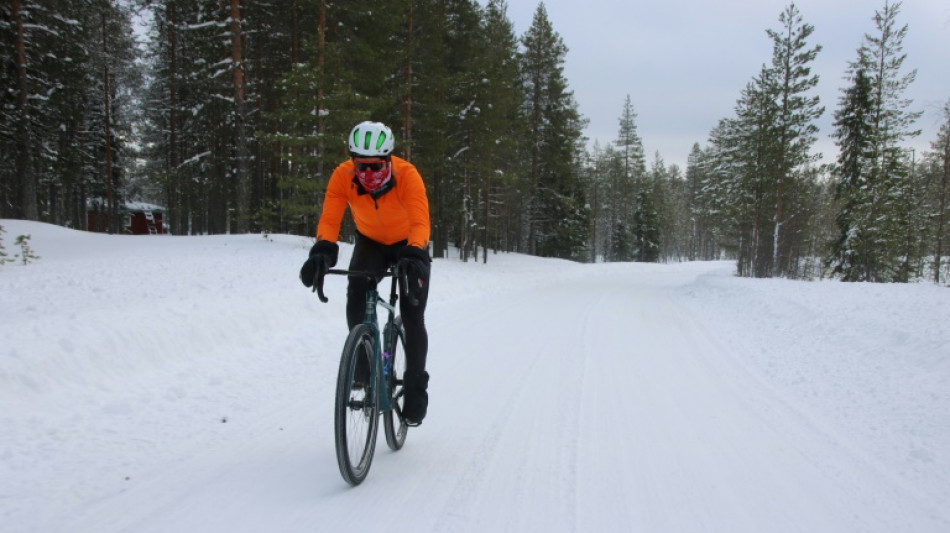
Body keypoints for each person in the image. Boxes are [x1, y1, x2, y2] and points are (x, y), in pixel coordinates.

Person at [300, 121, 432, 425]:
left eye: (375, 166)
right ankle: (362, 364)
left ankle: (415, 387)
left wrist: (415, 253)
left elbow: (420, 220)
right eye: (361, 165)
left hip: (408, 244)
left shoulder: (407, 175)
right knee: (356, 295)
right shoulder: (342, 176)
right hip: (370, 242)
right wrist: (322, 250)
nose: (368, 174)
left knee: (412, 315)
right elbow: (330, 219)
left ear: (388, 160)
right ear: (352, 160)